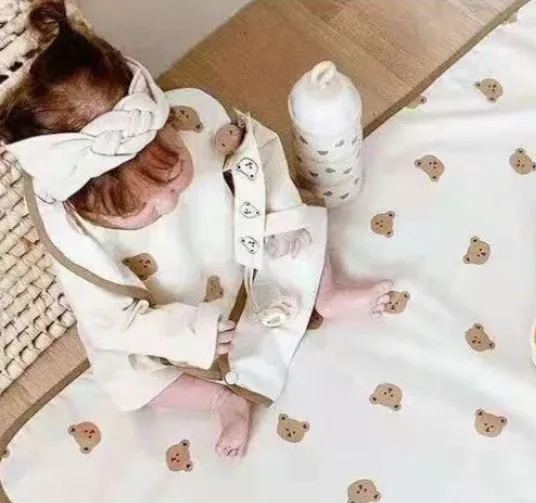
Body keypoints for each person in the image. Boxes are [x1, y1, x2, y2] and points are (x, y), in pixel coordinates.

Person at [0, 0, 393, 457]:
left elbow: (261, 156)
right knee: (131, 379)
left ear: (167, 122)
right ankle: (221, 400)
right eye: (139, 209)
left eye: (173, 179)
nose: (167, 204)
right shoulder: (72, 227)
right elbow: (111, 322)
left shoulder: (189, 120)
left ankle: (327, 293)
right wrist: (187, 332)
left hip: (234, 247)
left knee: (298, 229)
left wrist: (255, 179)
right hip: (166, 309)